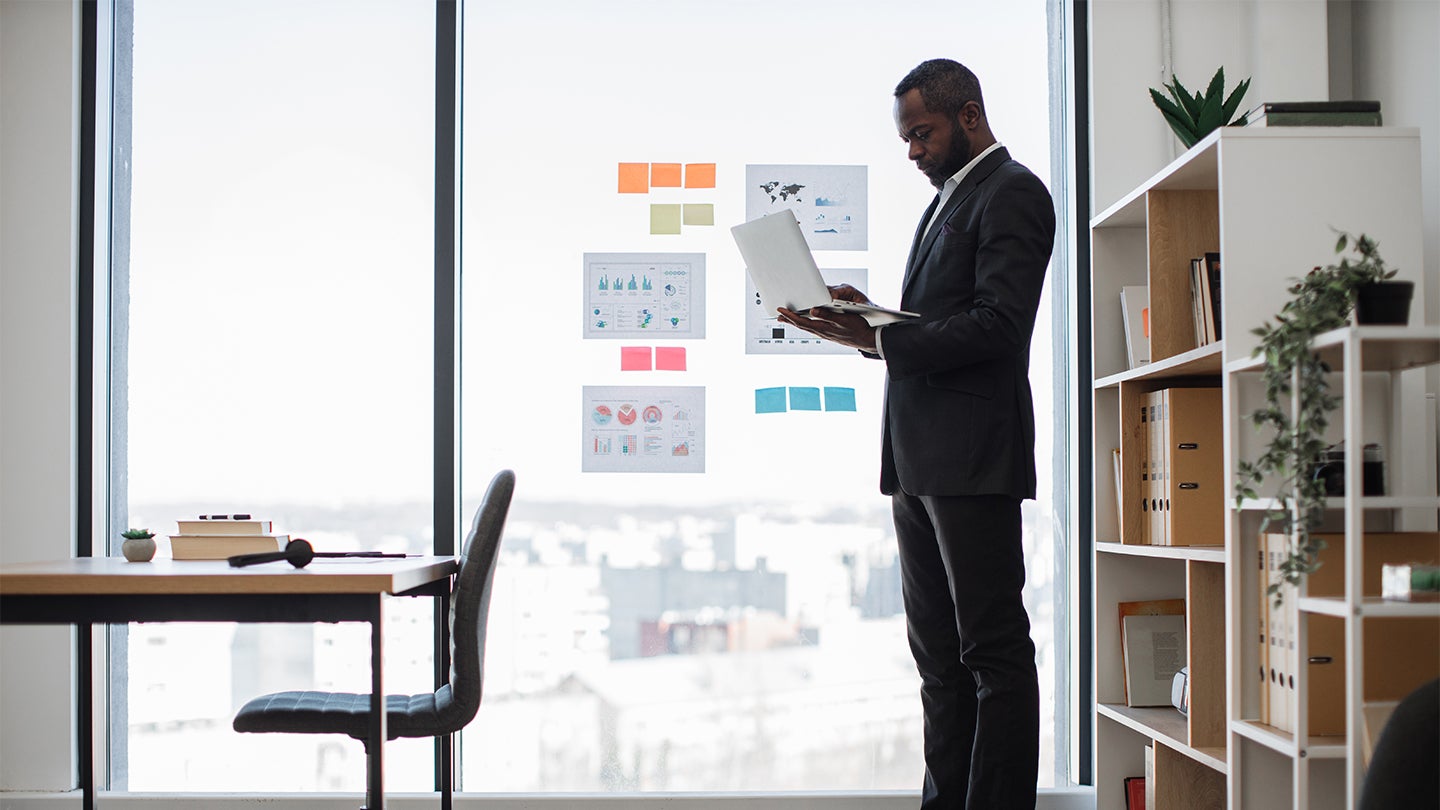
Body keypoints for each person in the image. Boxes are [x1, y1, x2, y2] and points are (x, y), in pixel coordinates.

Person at [777, 58, 1055, 810]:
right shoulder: (949, 201)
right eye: (906, 138)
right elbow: (941, 318)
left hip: (971, 459)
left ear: (969, 116)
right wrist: (869, 317)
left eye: (921, 134)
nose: (912, 152)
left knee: (992, 656)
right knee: (938, 662)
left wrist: (876, 342)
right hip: (918, 461)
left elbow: (1000, 326)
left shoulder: (1015, 192)